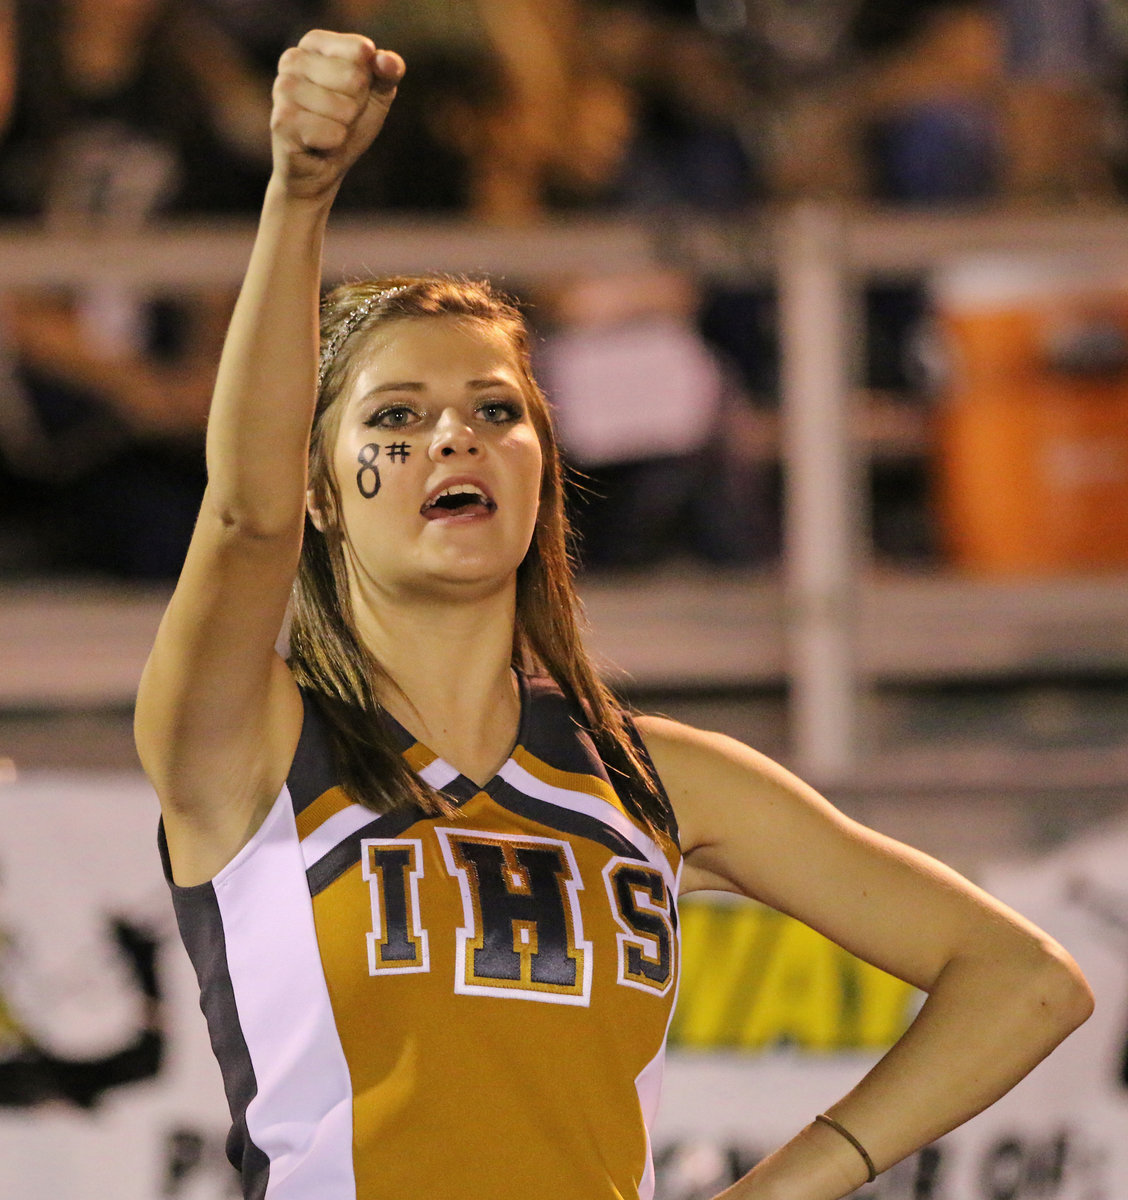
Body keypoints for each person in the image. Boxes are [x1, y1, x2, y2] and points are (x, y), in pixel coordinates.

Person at [133, 29, 1094, 1200]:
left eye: (496, 410)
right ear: (320, 492)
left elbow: (1027, 982)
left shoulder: (654, 780)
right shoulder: (249, 747)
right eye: (397, 416)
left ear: (543, 467)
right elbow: (243, 517)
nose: (454, 436)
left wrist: (771, 1194)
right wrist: (300, 194)